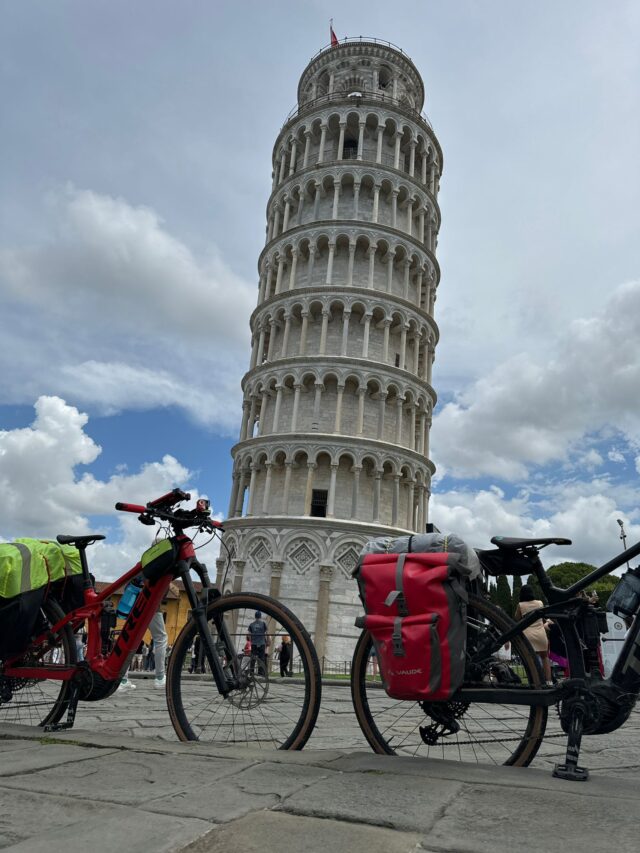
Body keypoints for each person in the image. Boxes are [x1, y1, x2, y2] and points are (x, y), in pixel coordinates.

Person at [514, 584, 552, 684]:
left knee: (531, 660)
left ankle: (535, 681)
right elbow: (543, 616)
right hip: (541, 634)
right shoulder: (539, 603)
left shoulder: (520, 605)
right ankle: (549, 681)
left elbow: (517, 618)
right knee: (545, 658)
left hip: (528, 635)